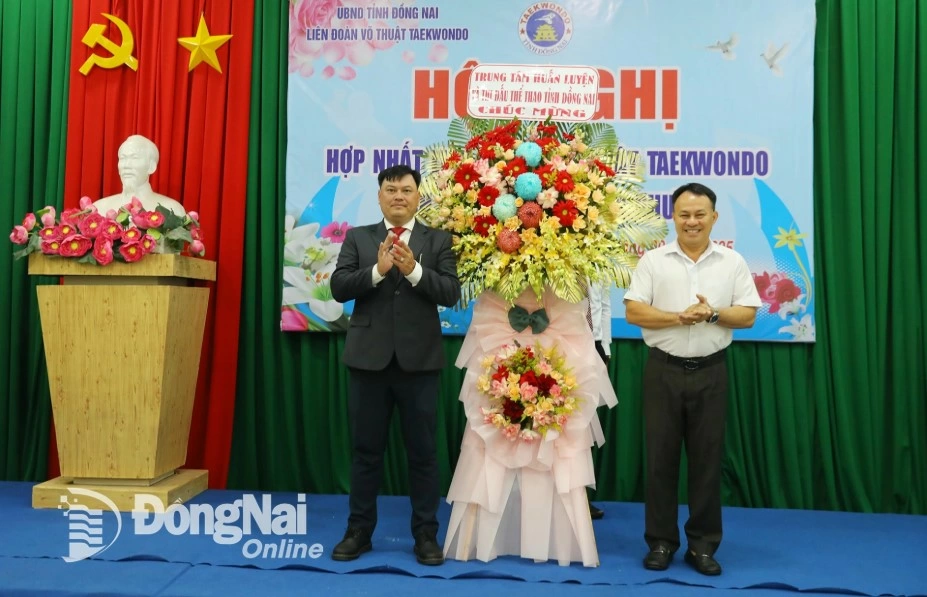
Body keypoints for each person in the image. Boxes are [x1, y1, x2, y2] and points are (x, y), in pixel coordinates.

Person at [623, 182, 761, 576]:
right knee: (660, 461)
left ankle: (702, 546)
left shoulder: (731, 263)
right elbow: (634, 312)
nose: (692, 221)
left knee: (706, 462)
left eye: (700, 214)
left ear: (714, 218)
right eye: (684, 214)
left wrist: (712, 313)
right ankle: (662, 542)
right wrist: (677, 318)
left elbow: (748, 315)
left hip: (711, 372)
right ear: (674, 216)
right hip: (662, 370)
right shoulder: (653, 260)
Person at [329, 164, 461, 566]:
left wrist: (413, 270)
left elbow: (450, 292)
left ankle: (425, 535)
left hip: (419, 362)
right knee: (366, 452)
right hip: (368, 362)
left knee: (423, 453)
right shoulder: (359, 237)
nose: (399, 196)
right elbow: (338, 288)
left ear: (418, 195)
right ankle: (359, 531)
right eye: (391, 189)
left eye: (406, 189)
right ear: (380, 195)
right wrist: (378, 271)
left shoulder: (438, 241)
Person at [93, 135, 186, 216]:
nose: (126, 165)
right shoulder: (99, 208)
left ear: (151, 166)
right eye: (122, 158)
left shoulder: (172, 210)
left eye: (135, 158)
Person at [587, 279, 612, 520]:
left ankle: (581, 496)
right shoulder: (560, 258)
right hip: (566, 340)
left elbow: (604, 307)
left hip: (595, 346)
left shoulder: (599, 263)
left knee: (587, 425)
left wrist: (606, 347)